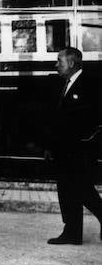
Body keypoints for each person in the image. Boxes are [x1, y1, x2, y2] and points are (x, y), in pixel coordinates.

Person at [45, 47, 102, 245]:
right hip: (65, 149)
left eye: (59, 61)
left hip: (80, 149)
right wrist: (51, 146)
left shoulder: (90, 83)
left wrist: (88, 141)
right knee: (71, 190)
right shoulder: (66, 84)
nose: (56, 65)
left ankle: (73, 231)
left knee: (80, 189)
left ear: (71, 63)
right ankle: (72, 232)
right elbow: (59, 119)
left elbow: (92, 118)